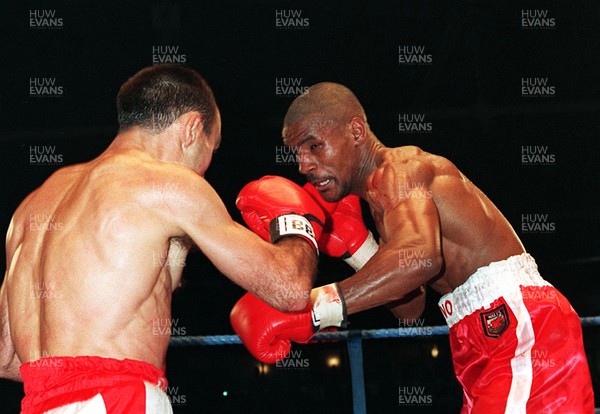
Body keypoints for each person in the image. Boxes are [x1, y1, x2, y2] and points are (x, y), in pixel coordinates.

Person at [229, 82, 595, 412]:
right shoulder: (382, 202)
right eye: (297, 153)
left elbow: (419, 258)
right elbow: (411, 307)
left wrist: (311, 310)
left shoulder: (402, 170)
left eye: (314, 145)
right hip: (477, 335)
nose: (304, 164)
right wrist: (359, 248)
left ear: (356, 131)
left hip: (515, 324)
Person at [0, 65, 328, 413]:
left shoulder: (33, 206)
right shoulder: (168, 183)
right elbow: (289, 288)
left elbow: (6, 357)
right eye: (211, 149)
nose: (206, 167)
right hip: (119, 400)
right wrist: (297, 223)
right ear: (190, 129)